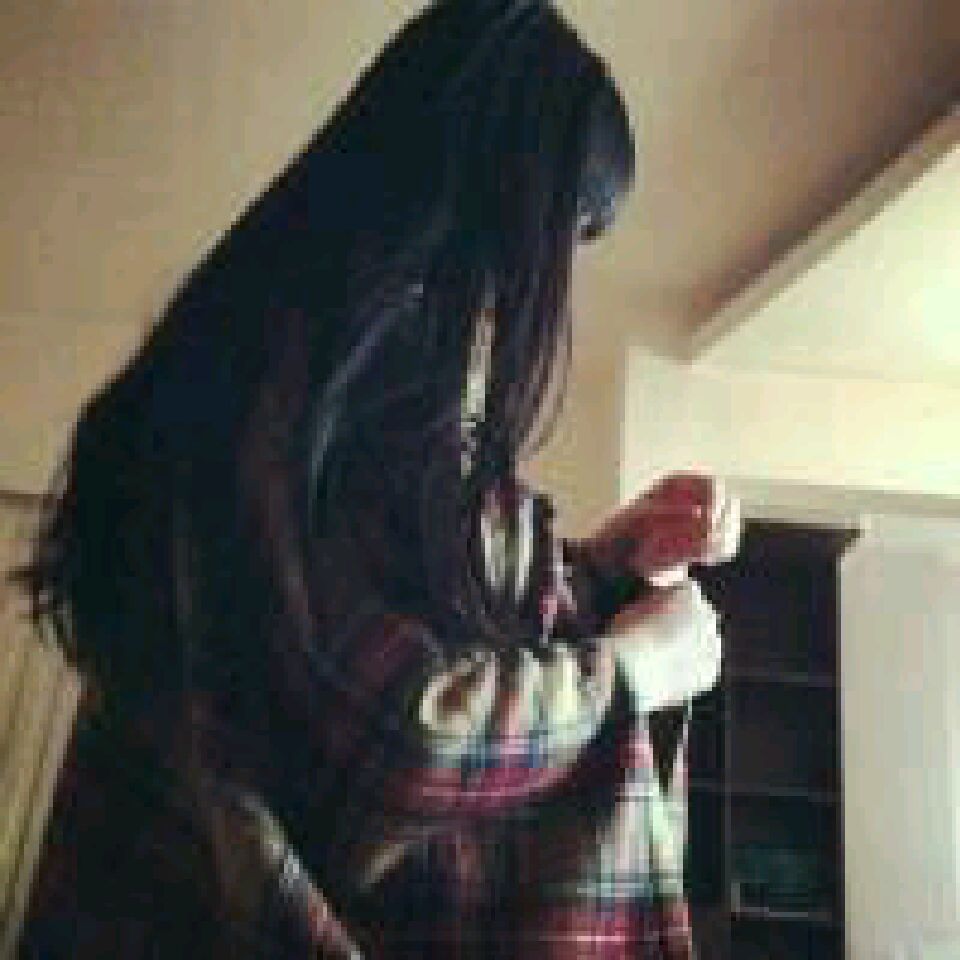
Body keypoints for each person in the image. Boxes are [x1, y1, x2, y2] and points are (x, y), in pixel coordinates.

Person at [18, 0, 740, 956]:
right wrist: (635, 672)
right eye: (567, 227)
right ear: (506, 194)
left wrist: (600, 567)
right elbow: (397, 735)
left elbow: (364, 621)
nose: (553, 273)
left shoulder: (290, 344)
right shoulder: (338, 376)